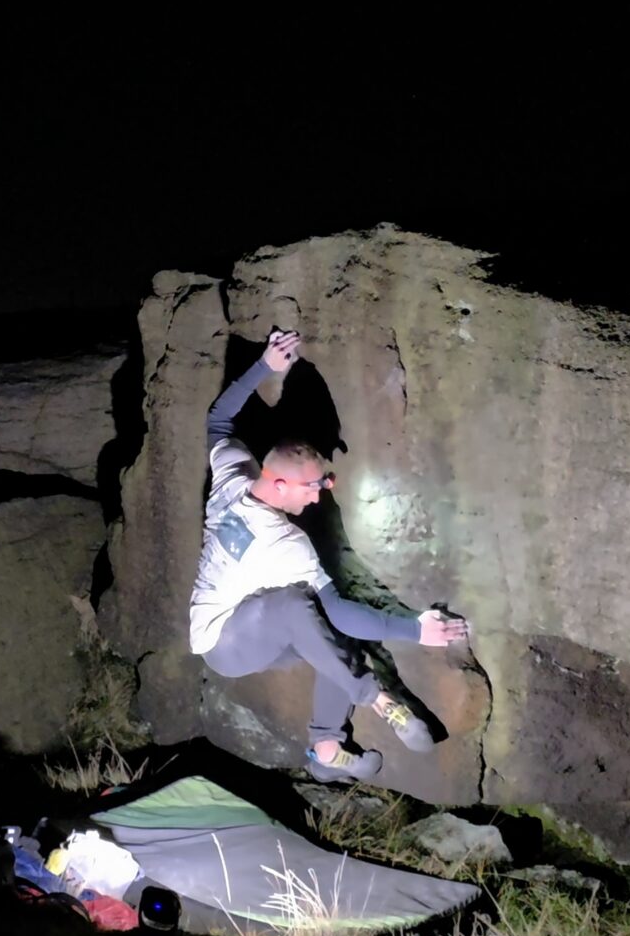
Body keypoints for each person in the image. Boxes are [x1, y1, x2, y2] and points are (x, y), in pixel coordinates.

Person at [187, 327, 470, 781]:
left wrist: (265, 367)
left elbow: (218, 420)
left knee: (331, 635)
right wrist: (415, 630)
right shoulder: (284, 544)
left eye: (325, 484)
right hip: (224, 643)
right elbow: (335, 611)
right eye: (313, 487)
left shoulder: (233, 472)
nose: (319, 497)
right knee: (301, 606)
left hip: (262, 627)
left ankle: (327, 748)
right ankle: (378, 700)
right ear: (280, 484)